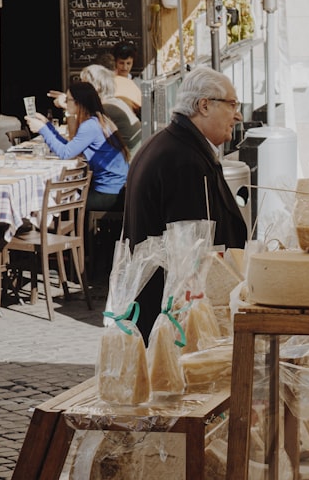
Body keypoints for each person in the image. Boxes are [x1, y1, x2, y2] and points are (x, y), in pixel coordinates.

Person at [124, 65, 248, 342]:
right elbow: (192, 254)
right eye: (232, 104)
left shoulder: (168, 145)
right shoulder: (184, 159)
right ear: (204, 105)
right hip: (172, 321)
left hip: (157, 311)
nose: (238, 115)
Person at [24, 81, 129, 211]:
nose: (66, 103)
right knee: (58, 199)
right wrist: (47, 126)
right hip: (116, 189)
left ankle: (59, 230)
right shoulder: (98, 120)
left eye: (68, 100)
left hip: (108, 194)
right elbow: (70, 148)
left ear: (79, 102)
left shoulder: (90, 125)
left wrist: (43, 129)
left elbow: (65, 153)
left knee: (54, 204)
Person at [49, 65, 142, 156]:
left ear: (95, 88)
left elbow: (75, 143)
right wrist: (70, 100)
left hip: (128, 165)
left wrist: (68, 107)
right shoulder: (113, 102)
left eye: (84, 85)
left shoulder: (106, 108)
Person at [111, 41, 142, 115]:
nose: (125, 67)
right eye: (121, 63)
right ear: (115, 62)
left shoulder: (137, 83)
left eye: (128, 63)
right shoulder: (109, 82)